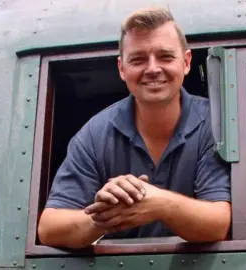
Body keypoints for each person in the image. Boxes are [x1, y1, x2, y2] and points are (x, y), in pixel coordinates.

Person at [37, 7, 231, 249]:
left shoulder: (215, 123)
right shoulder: (95, 133)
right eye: (138, 59)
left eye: (165, 57)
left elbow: (219, 224)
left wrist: (160, 203)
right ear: (121, 68)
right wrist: (105, 217)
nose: (152, 69)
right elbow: (49, 229)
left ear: (187, 62)